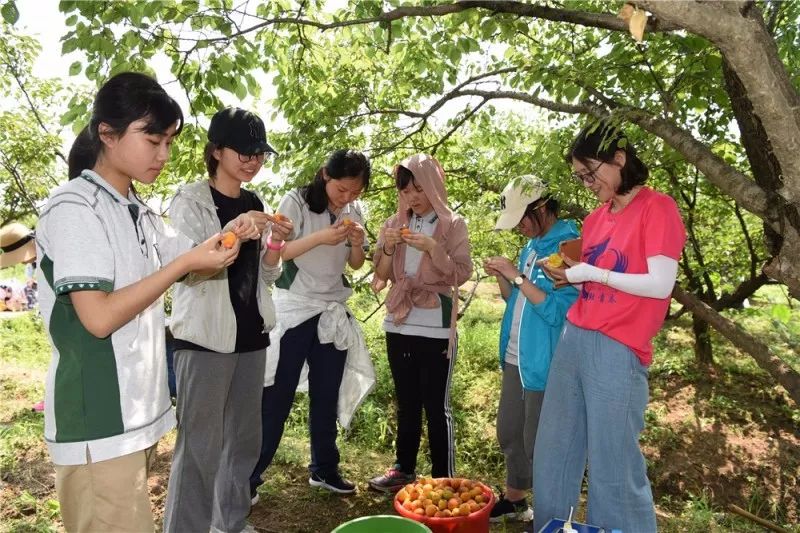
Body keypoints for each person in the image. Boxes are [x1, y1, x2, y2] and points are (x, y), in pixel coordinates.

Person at [34, 72, 247, 533]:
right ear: (106, 134)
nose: (164, 155)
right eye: (152, 140)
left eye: (169, 141)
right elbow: (99, 317)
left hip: (134, 413)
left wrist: (233, 236)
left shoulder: (140, 213)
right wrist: (183, 263)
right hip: (99, 418)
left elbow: (197, 263)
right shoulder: (76, 208)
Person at [534, 123, 687, 533]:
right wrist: (571, 276)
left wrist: (594, 275)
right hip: (575, 338)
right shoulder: (596, 218)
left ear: (619, 159)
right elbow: (596, 274)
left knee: (612, 462)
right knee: (554, 450)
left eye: (590, 173)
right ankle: (549, 527)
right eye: (580, 177)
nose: (587, 184)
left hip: (618, 346)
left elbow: (659, 284)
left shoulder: (658, 208)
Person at [163, 108, 289, 533]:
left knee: (243, 442)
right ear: (217, 150)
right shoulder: (192, 200)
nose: (254, 160)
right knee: (199, 447)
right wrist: (236, 228)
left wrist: (275, 245)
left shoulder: (255, 202)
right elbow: (188, 266)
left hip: (251, 336)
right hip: (204, 340)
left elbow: (264, 276)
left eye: (260, 153)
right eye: (245, 150)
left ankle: (230, 524)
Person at [249, 149, 375, 499]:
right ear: (325, 176)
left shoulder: (353, 211)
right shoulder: (297, 202)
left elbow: (354, 265)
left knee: (326, 392)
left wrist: (356, 243)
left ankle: (324, 468)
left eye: (355, 192)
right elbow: (278, 252)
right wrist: (323, 236)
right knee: (277, 396)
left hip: (331, 310)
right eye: (342, 190)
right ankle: (249, 476)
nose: (347, 198)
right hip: (295, 308)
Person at [368, 154, 473, 492]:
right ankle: (403, 468)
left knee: (435, 403)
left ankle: (444, 476)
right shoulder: (393, 222)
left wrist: (432, 249)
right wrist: (385, 247)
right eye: (406, 190)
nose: (413, 197)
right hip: (399, 321)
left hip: (436, 324)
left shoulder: (452, 224)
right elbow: (382, 275)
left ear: (434, 186)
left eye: (419, 188)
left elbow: (462, 272)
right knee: (407, 398)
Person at [482, 175, 579, 522]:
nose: (519, 227)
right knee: (510, 432)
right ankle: (516, 499)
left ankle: (556, 516)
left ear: (540, 208)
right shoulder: (532, 246)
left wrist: (518, 276)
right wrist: (502, 275)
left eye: (522, 218)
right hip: (516, 356)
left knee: (542, 442)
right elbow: (515, 300)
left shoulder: (569, 245)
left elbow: (558, 312)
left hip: (544, 360)